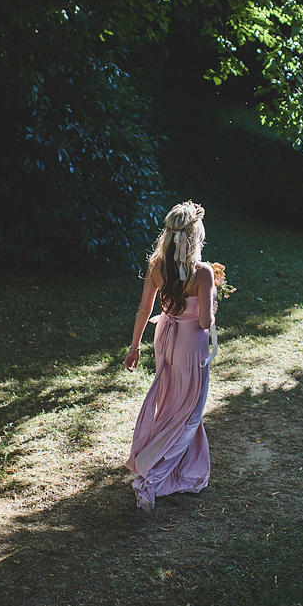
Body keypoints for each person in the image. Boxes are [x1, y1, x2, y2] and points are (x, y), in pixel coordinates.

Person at [124, 200, 216, 514]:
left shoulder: (156, 266)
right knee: (188, 415)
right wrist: (213, 301)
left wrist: (134, 346)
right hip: (191, 345)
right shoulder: (202, 273)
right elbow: (204, 322)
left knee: (170, 406)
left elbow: (143, 310)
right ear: (194, 237)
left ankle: (170, 468)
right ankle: (150, 481)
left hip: (164, 339)